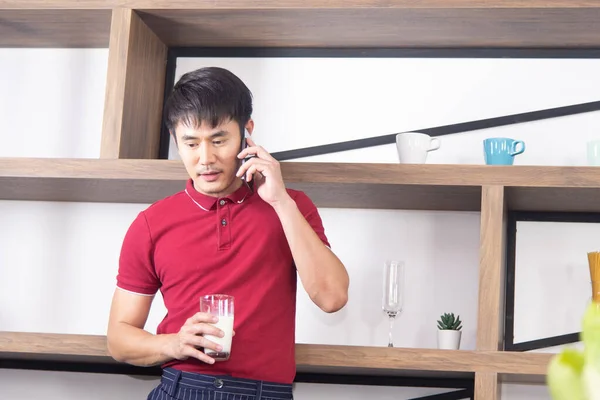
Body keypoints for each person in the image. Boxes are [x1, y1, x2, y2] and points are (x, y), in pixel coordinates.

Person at [106, 66, 350, 400]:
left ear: (246, 132)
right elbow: (119, 340)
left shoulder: (292, 206)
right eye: (190, 143)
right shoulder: (151, 223)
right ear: (175, 140)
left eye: (219, 140)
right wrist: (174, 342)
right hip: (183, 389)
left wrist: (280, 201)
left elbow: (332, 297)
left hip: (267, 392)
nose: (205, 159)